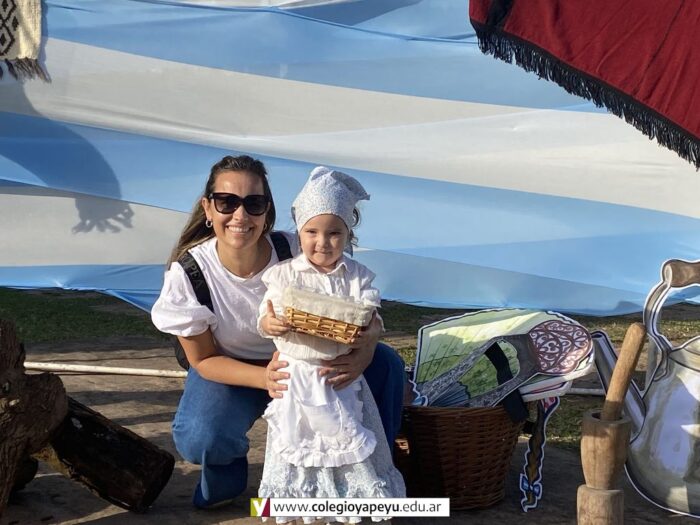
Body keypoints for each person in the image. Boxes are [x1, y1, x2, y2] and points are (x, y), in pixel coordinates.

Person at [150, 155, 405, 509]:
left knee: (386, 364)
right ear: (208, 208)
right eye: (227, 202)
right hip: (233, 369)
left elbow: (356, 301)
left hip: (311, 361)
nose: (241, 215)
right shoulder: (190, 272)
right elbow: (203, 359)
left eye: (253, 203)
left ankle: (373, 472)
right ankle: (226, 474)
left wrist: (364, 350)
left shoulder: (298, 248)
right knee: (199, 436)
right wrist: (266, 378)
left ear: (267, 210)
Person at [257, 167, 406, 515]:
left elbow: (370, 310)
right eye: (312, 232)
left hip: (339, 374)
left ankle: (349, 503)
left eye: (334, 233)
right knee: (299, 443)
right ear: (299, 231)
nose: (322, 242)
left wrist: (369, 327)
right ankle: (301, 507)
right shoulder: (284, 275)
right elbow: (265, 312)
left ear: (348, 233)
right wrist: (269, 323)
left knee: (347, 440)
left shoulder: (356, 276)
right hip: (297, 375)